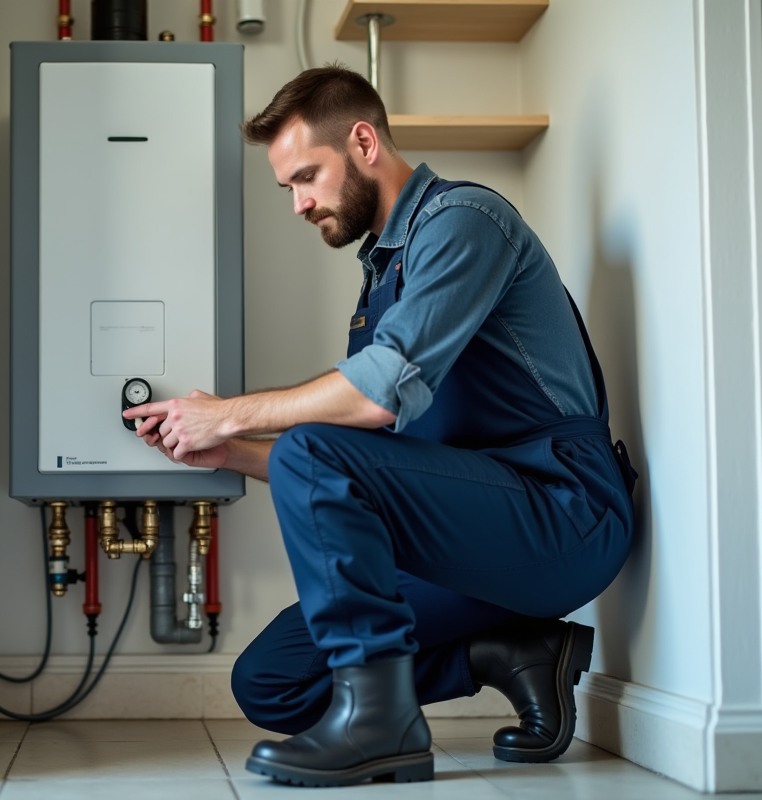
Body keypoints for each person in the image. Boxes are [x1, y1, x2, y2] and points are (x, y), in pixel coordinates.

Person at [122, 66, 637, 788]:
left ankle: (380, 725)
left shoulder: (465, 222)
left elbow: (373, 403)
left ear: (362, 141)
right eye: (287, 188)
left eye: (307, 176)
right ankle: (509, 654)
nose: (298, 203)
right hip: (469, 528)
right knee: (272, 680)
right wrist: (228, 451)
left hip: (561, 515)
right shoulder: (383, 274)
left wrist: (229, 409)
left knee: (312, 446)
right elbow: (361, 456)